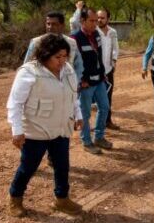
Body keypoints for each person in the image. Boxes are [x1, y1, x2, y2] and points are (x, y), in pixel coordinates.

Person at [6, 34, 84, 217]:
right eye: (57, 57)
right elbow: (15, 103)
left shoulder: (69, 70)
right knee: (28, 167)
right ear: (45, 55)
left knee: (62, 166)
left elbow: (73, 96)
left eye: (65, 56)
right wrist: (17, 131)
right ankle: (14, 198)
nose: (62, 61)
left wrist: (78, 115)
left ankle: (62, 199)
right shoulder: (29, 72)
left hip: (60, 128)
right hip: (35, 130)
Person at [73, 8, 112, 154]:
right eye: (92, 20)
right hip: (85, 84)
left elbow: (99, 56)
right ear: (82, 21)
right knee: (85, 113)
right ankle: (87, 142)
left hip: (99, 80)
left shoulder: (96, 34)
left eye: (96, 20)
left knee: (105, 107)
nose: (95, 23)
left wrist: (103, 73)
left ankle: (99, 137)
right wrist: (81, 80)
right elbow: (73, 63)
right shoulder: (75, 39)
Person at [24, 11, 83, 81]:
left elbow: (79, 66)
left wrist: (76, 83)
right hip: (43, 85)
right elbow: (27, 67)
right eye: (48, 24)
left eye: (54, 24)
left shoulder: (71, 43)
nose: (50, 27)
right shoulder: (36, 42)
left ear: (62, 25)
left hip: (67, 85)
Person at [96, 9, 120, 130]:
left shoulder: (112, 32)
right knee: (91, 98)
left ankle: (107, 121)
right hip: (96, 70)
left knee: (108, 96)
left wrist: (114, 61)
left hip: (108, 69)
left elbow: (115, 48)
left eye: (102, 18)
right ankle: (87, 124)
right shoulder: (93, 32)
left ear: (108, 19)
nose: (99, 20)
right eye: (98, 17)